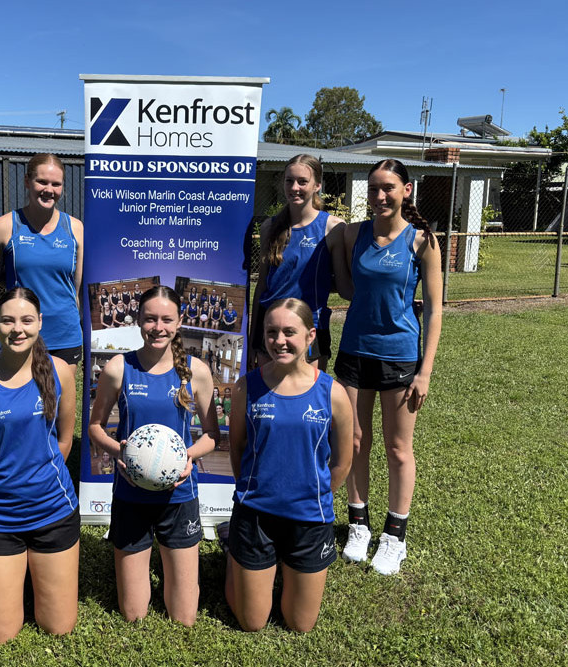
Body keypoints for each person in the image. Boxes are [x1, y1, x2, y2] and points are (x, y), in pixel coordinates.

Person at [0, 287, 79, 644]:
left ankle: (24, 571)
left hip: (53, 510)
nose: (17, 329)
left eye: (26, 320)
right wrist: (3, 488)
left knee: (59, 627)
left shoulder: (60, 372)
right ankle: (3, 572)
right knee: (0, 635)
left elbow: (65, 441)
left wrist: (37, 481)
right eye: (7, 320)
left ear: (40, 322)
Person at [336, 158, 443, 575]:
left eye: (389, 188)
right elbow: (345, 285)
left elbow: (434, 310)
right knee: (354, 441)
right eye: (374, 188)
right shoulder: (351, 234)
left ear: (406, 191)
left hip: (400, 356)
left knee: (398, 448)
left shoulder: (421, 241)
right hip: (353, 353)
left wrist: (425, 370)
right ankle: (358, 524)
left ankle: (394, 536)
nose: (380, 196)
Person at [88, 285, 219, 626]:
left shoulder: (195, 371)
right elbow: (96, 427)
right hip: (131, 494)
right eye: (149, 319)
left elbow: (211, 435)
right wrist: (120, 451)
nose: (157, 327)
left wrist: (186, 457)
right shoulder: (119, 368)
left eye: (166, 319)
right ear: (139, 322)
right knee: (133, 614)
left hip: (178, 496)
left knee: (184, 617)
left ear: (178, 323)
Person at [226, 298, 353, 632]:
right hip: (255, 514)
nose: (279, 340)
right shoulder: (246, 387)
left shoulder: (332, 393)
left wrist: (315, 495)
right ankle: (237, 554)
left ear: (310, 336)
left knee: (300, 625)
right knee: (252, 623)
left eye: (289, 332)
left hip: (309, 519)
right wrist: (254, 493)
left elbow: (342, 460)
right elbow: (237, 448)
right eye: (271, 332)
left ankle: (276, 563)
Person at [250, 155, 351, 372]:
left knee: (308, 398)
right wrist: (252, 338)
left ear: (317, 185)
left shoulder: (333, 229)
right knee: (268, 399)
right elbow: (262, 288)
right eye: (289, 180)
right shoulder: (270, 227)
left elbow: (343, 287)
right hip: (270, 328)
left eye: (302, 181)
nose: (294, 187)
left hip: (311, 327)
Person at [0, 154, 84, 368]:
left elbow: (77, 292)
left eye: (56, 184)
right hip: (20, 335)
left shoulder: (76, 229)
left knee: (62, 401)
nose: (48, 189)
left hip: (65, 335)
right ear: (27, 181)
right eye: (41, 181)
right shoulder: (4, 227)